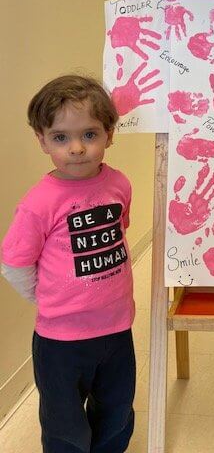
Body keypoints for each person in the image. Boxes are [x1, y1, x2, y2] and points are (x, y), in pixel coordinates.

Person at [1, 75, 135, 453]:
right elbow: (14, 263)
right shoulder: (38, 203)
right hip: (61, 341)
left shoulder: (119, 184)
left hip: (116, 329)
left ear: (110, 133)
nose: (77, 148)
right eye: (61, 137)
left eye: (89, 134)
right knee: (65, 426)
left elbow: (119, 233)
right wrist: (46, 297)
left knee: (116, 412)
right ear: (42, 140)